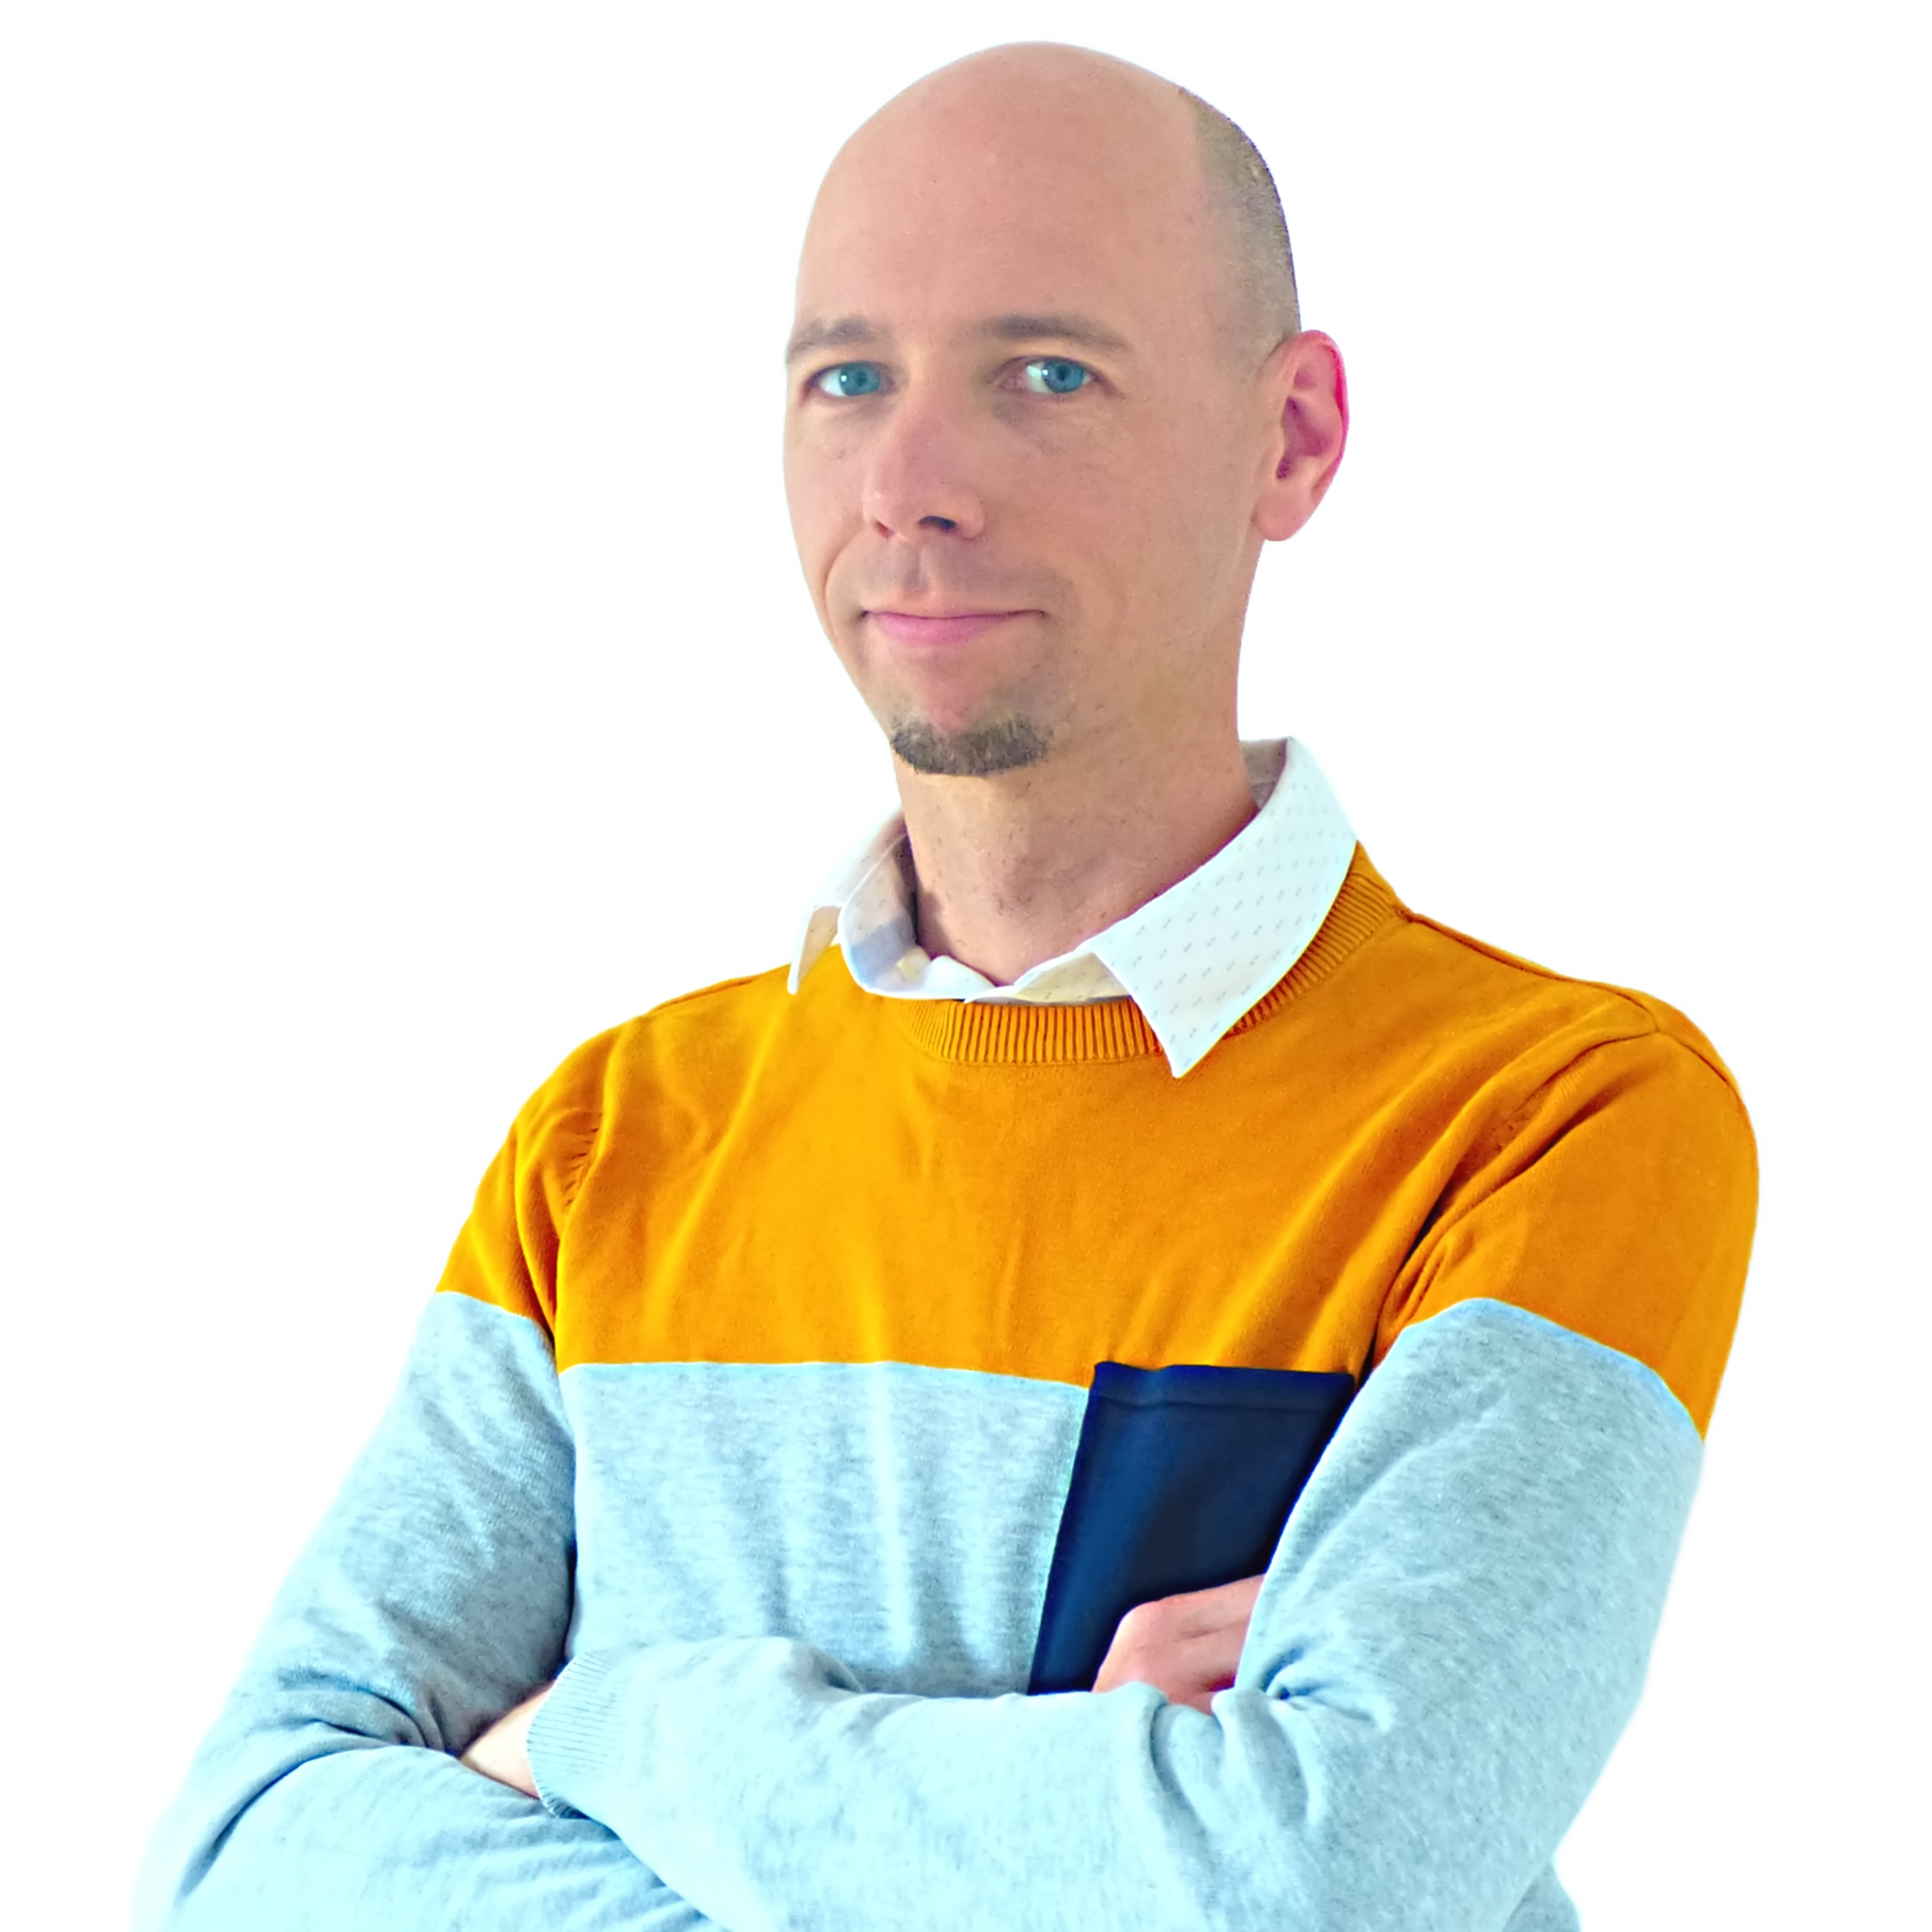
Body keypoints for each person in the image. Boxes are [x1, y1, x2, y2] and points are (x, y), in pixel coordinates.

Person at [125, 29, 1762, 1931]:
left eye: (1045, 375)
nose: (909, 485)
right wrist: (1072, 1811)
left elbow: (1326, 1879)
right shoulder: (613, 1133)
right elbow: (235, 1851)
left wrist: (610, 1730)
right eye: (847, 379)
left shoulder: (1558, 1116)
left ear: (1295, 440)